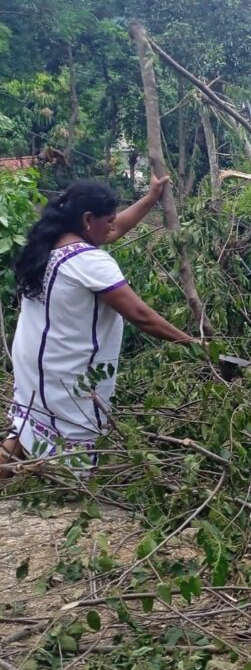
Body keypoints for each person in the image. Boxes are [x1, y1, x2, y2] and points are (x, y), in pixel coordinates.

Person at [1, 177, 199, 479]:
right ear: (87, 219)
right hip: (66, 368)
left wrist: (150, 198)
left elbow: (116, 229)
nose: (113, 228)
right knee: (72, 462)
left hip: (35, 360)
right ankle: (54, 480)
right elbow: (140, 314)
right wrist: (192, 343)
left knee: (30, 424)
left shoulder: (51, 243)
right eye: (108, 221)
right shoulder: (90, 261)